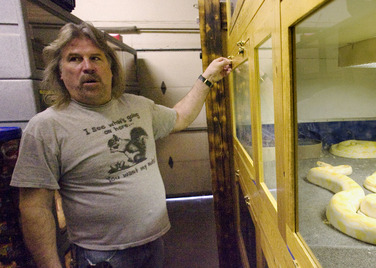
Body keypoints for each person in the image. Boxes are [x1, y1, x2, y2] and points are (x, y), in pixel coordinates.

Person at [10, 22, 232, 268]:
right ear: (60, 73)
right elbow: (34, 206)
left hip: (154, 242)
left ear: (111, 69)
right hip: (101, 257)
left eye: (96, 58)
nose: (87, 66)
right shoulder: (45, 128)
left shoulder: (137, 106)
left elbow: (180, 117)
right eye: (74, 59)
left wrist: (208, 77)